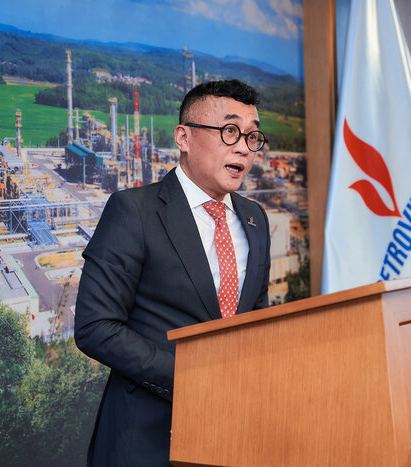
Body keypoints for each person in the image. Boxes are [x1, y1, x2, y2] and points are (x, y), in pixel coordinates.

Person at [75, 79, 272, 466]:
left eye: (252, 137)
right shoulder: (134, 211)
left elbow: (255, 321)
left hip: (233, 435)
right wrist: (196, 378)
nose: (243, 149)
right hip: (147, 440)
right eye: (229, 131)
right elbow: (96, 327)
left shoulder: (254, 218)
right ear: (184, 136)